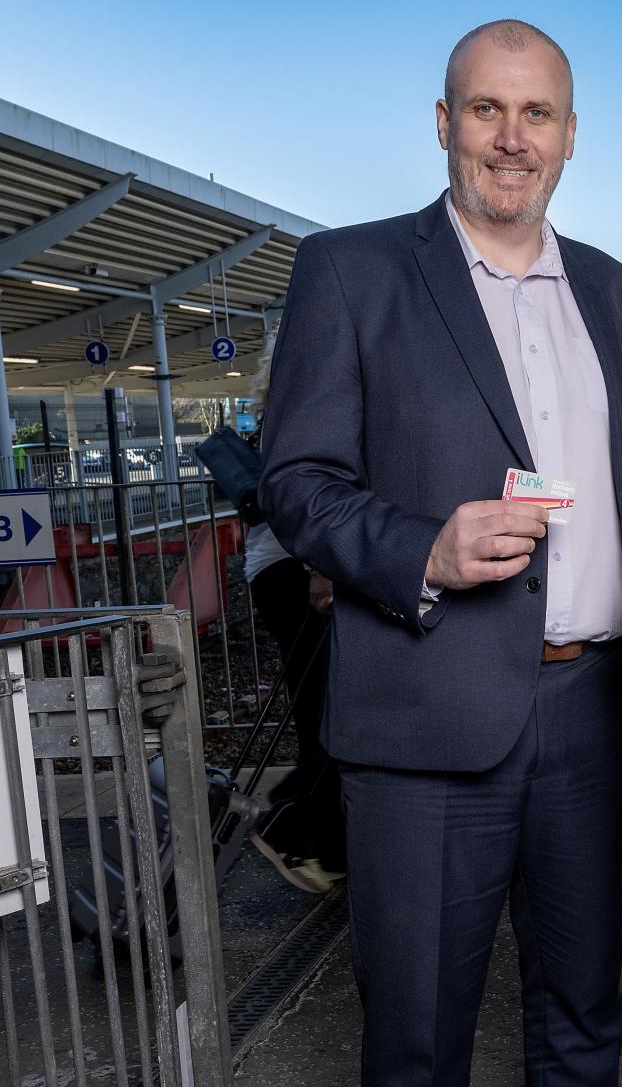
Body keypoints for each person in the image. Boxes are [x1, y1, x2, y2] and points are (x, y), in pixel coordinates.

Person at [258, 18, 622, 1086]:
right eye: (486, 110)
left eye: (535, 113)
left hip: (592, 714)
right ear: (445, 123)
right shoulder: (348, 272)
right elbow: (295, 481)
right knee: (417, 1038)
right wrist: (424, 553)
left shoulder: (620, 296)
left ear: (570, 135)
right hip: (422, 717)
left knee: (583, 1016)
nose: (510, 137)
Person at [243, 349, 345, 893]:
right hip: (295, 569)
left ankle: (307, 824)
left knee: (323, 704)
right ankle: (297, 836)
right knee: (328, 704)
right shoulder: (302, 410)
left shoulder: (283, 407)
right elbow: (306, 500)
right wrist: (320, 569)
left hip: (282, 567)